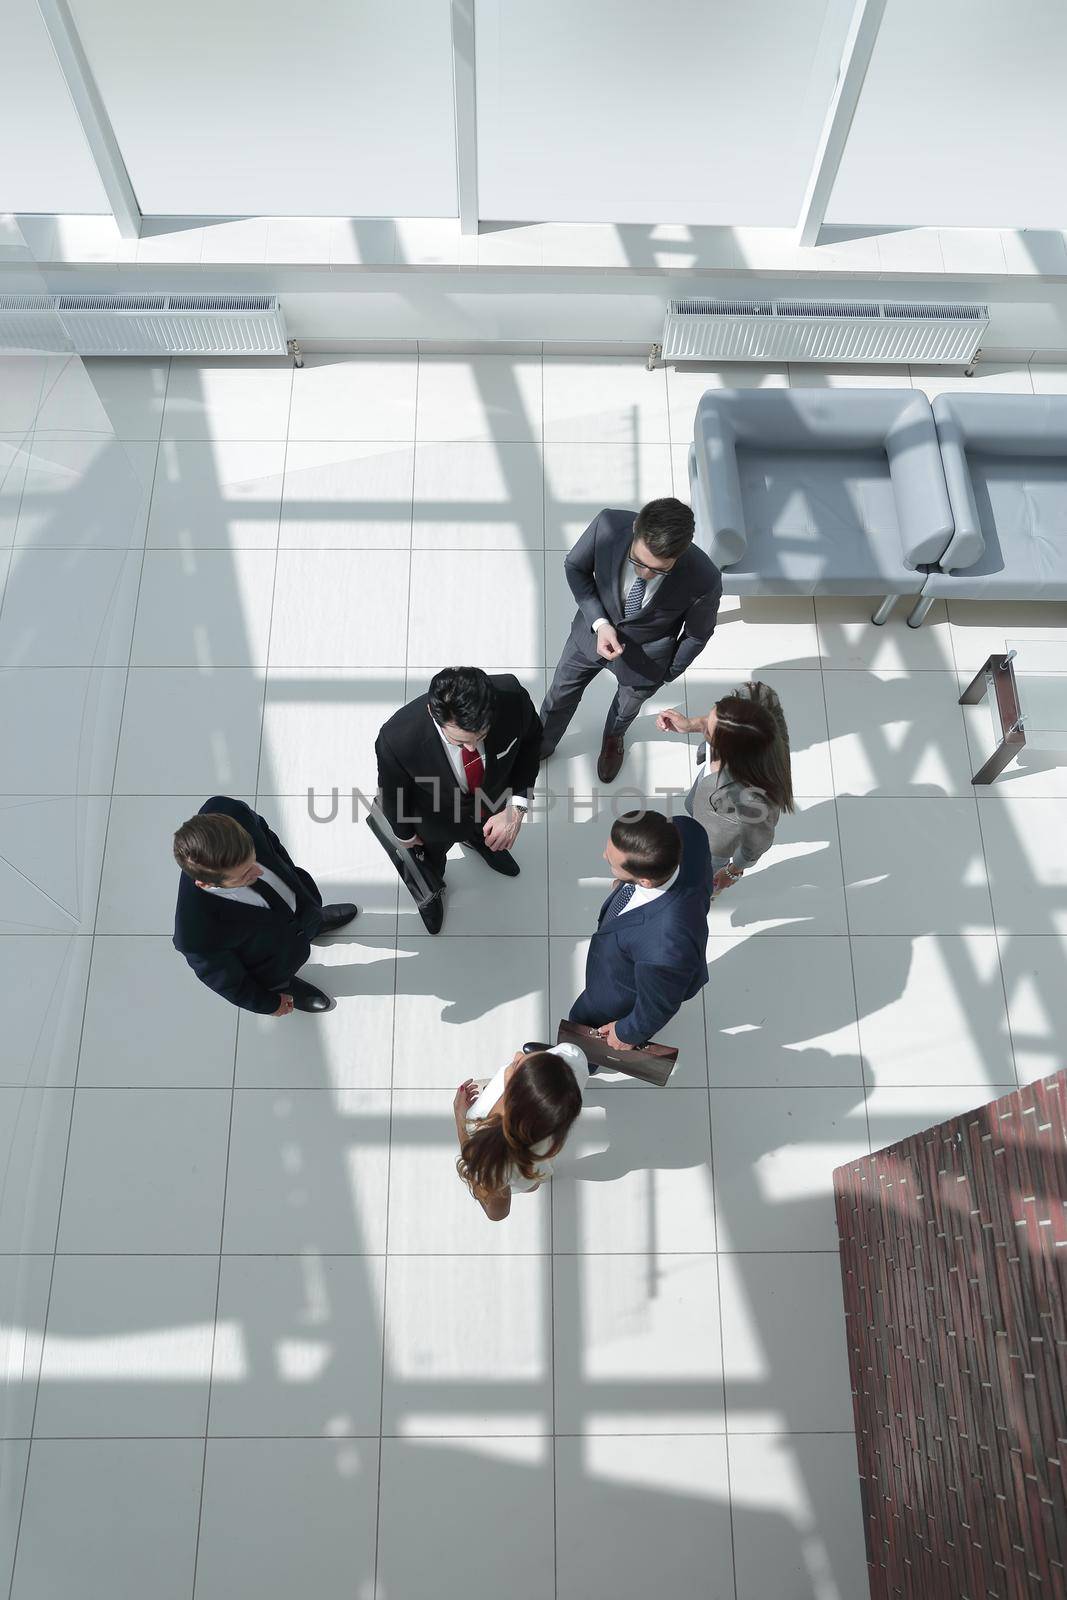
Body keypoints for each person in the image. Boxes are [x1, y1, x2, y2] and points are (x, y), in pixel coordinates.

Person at [539, 498, 722, 783]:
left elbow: (697, 634)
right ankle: (541, 744)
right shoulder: (608, 524)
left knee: (626, 709)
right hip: (589, 635)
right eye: (638, 561)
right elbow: (575, 566)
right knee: (560, 693)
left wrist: (667, 673)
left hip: (647, 660)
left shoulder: (704, 577)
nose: (645, 573)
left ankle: (614, 737)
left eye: (659, 570)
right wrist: (599, 623)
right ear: (636, 528)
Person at [375, 666, 542, 934]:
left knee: (485, 831)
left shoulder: (512, 696)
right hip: (434, 818)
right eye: (460, 740)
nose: (473, 748)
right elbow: (393, 791)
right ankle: (431, 892)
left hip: (492, 803)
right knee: (431, 863)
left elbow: (531, 743)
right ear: (433, 713)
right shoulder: (397, 738)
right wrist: (404, 833)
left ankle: (480, 842)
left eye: (481, 735)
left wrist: (517, 806)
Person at [172, 796, 358, 1014]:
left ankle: (314, 923)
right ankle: (287, 985)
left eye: (253, 860)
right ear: (205, 883)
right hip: (276, 959)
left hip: (300, 905)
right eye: (245, 875)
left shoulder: (229, 810)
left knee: (310, 917)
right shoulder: (195, 933)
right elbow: (228, 982)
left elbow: (267, 837)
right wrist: (267, 1003)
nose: (258, 872)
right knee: (279, 979)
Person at [569, 809, 712, 1060]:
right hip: (649, 958)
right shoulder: (687, 830)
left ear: (645, 881)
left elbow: (658, 1006)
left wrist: (627, 1032)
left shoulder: (664, 947)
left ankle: (579, 1065)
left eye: (612, 863)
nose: (604, 855)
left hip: (619, 991)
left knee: (584, 1026)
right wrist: (625, 884)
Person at [657, 680, 794, 896]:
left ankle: (700, 894)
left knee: (703, 874)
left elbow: (757, 842)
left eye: (709, 733)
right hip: (707, 808)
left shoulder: (753, 798)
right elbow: (758, 694)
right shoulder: (757, 703)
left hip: (716, 842)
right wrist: (693, 724)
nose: (704, 727)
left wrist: (733, 870)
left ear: (730, 749)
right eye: (717, 708)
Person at [453, 1041, 588, 1221]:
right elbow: (574, 1054)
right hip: (532, 1168)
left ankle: (530, 1184)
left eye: (518, 1064)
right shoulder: (573, 1057)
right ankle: (532, 1184)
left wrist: (460, 1117)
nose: (518, 1054)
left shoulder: (492, 1161)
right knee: (532, 1181)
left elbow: (497, 1213)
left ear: (514, 1093)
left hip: (513, 1171)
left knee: (527, 1181)